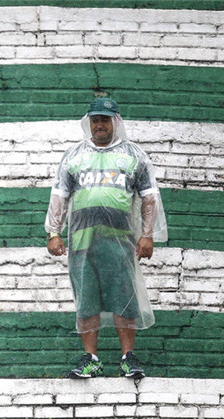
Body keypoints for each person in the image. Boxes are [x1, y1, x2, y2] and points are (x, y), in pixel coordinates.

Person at [45, 98, 167, 379]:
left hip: (120, 240)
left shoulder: (134, 155)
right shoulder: (74, 155)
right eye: (95, 120)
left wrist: (147, 235)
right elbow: (59, 195)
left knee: (124, 295)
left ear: (116, 121)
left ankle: (127, 358)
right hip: (82, 240)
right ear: (88, 123)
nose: (99, 125)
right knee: (86, 296)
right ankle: (91, 359)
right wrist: (53, 232)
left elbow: (149, 197)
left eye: (105, 119)